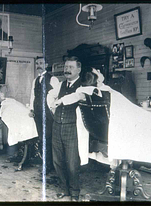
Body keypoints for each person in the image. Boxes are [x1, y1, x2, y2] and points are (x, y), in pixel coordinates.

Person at [46, 56, 82, 201]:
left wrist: (59, 101)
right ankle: (65, 191)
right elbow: (50, 96)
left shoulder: (82, 85)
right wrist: (52, 106)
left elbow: (76, 97)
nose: (67, 70)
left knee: (72, 163)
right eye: (66, 67)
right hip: (57, 127)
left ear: (78, 69)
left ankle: (74, 193)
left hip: (71, 128)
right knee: (58, 161)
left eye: (71, 67)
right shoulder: (60, 85)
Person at [0, 92, 38, 171]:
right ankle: (18, 155)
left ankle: (24, 160)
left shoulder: (9, 102)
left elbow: (19, 108)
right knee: (15, 135)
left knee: (25, 137)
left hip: (26, 118)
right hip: (18, 120)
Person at [29, 56, 59, 175]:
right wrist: (31, 109)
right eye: (37, 63)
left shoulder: (53, 79)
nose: (39, 65)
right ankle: (45, 162)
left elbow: (57, 97)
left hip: (48, 113)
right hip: (37, 112)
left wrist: (53, 111)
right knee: (41, 138)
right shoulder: (35, 80)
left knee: (48, 138)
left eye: (41, 63)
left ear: (46, 64)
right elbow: (32, 95)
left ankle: (50, 165)